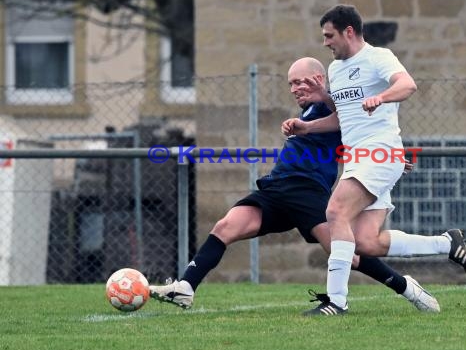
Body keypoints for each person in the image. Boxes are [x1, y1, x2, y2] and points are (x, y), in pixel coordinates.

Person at [149, 57, 442, 313]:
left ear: (319, 80)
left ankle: (408, 288)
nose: (295, 89)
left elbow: (350, 116)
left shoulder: (338, 108)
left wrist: (386, 155)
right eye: (291, 84)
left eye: (302, 82)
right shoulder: (307, 113)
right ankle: (186, 287)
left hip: (307, 191)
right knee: (225, 226)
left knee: (348, 254)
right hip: (276, 188)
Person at [282, 4, 466, 316]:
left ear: (349, 32)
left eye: (329, 35)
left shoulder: (378, 57)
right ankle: (447, 244)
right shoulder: (336, 70)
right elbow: (342, 119)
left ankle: (336, 302)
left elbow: (407, 85)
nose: (325, 43)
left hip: (381, 154)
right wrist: (307, 126)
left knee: (335, 212)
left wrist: (381, 97)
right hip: (361, 158)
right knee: (365, 243)